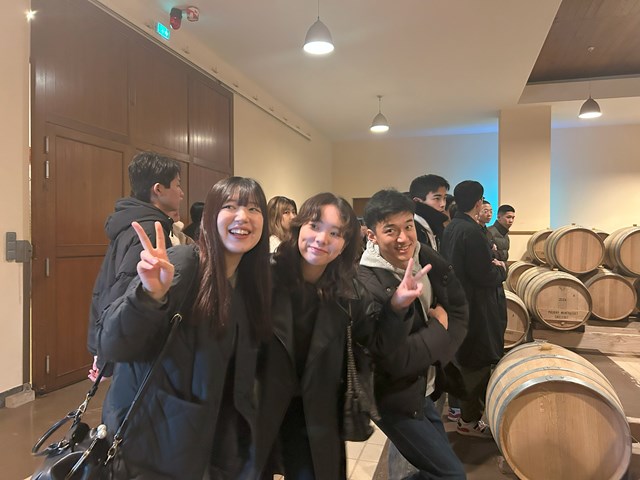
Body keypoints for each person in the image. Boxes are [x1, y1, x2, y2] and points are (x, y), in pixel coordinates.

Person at [96, 177, 271, 479]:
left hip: (209, 444)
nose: (243, 216)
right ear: (211, 215)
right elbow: (113, 345)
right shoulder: (184, 264)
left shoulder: (251, 283)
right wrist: (149, 296)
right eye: (230, 206)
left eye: (254, 209)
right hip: (154, 446)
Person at [254, 192, 431, 480]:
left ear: (345, 244)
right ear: (298, 228)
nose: (322, 239)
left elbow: (377, 345)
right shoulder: (262, 276)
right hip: (259, 408)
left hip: (317, 413)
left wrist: (397, 307)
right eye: (314, 226)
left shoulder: (350, 292)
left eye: (335, 233)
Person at [358, 189, 468, 479]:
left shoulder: (423, 257)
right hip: (394, 397)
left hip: (424, 388)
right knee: (452, 475)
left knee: (440, 470)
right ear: (371, 235)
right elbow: (392, 360)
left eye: (408, 226)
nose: (403, 237)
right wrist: (439, 330)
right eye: (390, 230)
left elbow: (458, 308)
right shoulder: (366, 283)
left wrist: (441, 347)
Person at [87, 151, 183, 381]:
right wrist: (106, 356)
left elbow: (106, 285)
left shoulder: (132, 221)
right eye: (177, 185)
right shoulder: (149, 229)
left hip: (119, 340)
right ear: (158, 189)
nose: (181, 193)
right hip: (134, 348)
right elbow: (124, 291)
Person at [441, 181, 507, 438]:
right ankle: (469, 421)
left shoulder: (452, 227)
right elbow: (484, 275)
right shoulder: (472, 231)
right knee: (477, 362)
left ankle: (459, 411)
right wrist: (501, 269)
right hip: (476, 306)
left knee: (462, 358)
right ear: (479, 202)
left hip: (459, 302)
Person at [409, 174, 450, 251]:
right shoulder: (413, 228)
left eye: (444, 198)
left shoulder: (436, 225)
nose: (443, 204)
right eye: (437, 198)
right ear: (417, 201)